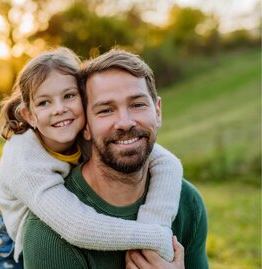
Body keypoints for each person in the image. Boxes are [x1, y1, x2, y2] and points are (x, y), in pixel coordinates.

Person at [0, 47, 184, 269]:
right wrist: (152, 237)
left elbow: (167, 162)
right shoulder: (24, 160)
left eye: (69, 96)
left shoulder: (84, 130)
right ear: (29, 115)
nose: (59, 109)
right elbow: (76, 226)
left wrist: (155, 221)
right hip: (6, 242)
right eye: (44, 102)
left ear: (85, 101)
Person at [22, 49, 209, 269]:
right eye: (105, 110)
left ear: (158, 112)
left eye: (137, 104)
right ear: (85, 127)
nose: (125, 122)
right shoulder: (48, 232)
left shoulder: (187, 202)